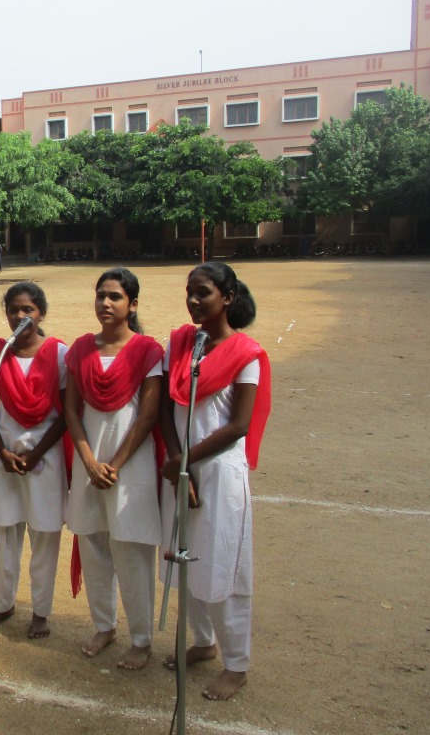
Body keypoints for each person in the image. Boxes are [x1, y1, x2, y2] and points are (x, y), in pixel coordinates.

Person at [159, 262, 271, 700]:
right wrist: (177, 464)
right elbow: (166, 408)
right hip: (181, 468)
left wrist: (186, 462)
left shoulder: (247, 354)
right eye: (189, 291)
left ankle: (236, 663)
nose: (193, 300)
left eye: (202, 292)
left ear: (228, 297)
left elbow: (238, 425)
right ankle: (203, 641)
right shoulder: (182, 345)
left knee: (224, 564)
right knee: (187, 557)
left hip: (220, 471)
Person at [64, 268, 164, 669]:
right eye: (100, 295)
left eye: (115, 297)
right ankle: (104, 626)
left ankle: (141, 639)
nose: (105, 303)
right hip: (88, 465)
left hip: (130, 468)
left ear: (132, 304)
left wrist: (115, 465)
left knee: (132, 550)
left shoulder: (148, 351)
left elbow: (148, 416)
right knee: (93, 545)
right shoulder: (80, 350)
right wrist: (89, 461)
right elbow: (72, 411)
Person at [0, 282, 68, 638]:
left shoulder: (60, 354)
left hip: (46, 461)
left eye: (28, 309)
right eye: (13, 310)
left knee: (44, 537)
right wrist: (1, 451)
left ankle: (41, 612)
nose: (20, 316)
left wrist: (37, 453)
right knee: (6, 535)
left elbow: (67, 414)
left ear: (41, 313)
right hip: (5, 460)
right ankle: (3, 603)